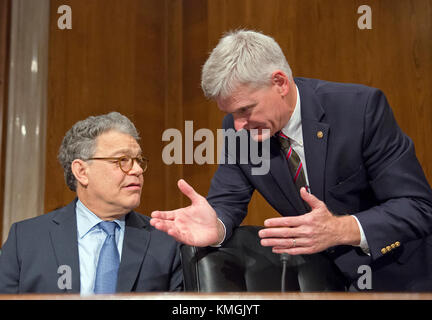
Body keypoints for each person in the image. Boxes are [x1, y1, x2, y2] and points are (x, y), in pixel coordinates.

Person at [151, 30, 432, 291]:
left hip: (398, 279)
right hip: (320, 284)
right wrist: (216, 225)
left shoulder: (359, 109)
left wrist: (340, 229)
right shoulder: (241, 129)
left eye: (245, 110)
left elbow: (417, 207)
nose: (238, 126)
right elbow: (228, 201)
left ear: (280, 83)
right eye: (232, 114)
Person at [0, 112, 183, 294]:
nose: (137, 170)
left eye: (138, 160)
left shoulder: (166, 242)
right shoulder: (25, 239)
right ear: (81, 171)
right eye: (122, 160)